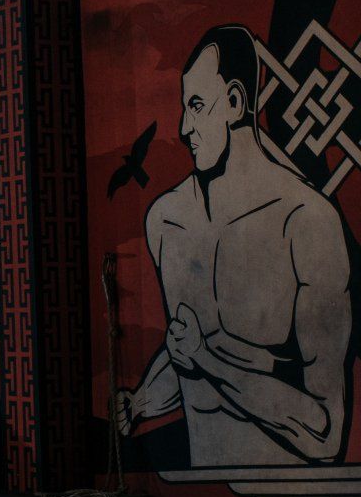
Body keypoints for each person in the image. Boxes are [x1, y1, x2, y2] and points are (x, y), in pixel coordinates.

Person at [119, 26, 350, 465]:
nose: (184, 128)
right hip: (198, 488)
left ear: (235, 102)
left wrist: (206, 360)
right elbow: (186, 349)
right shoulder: (167, 221)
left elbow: (325, 430)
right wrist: (139, 403)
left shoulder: (306, 223)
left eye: (197, 106)